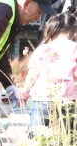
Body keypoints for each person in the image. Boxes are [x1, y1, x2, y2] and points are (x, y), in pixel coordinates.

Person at [20, 9, 77, 137]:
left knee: (37, 136)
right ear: (74, 30)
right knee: (67, 137)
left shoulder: (42, 48)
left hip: (42, 99)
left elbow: (32, 75)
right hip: (68, 101)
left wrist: (25, 92)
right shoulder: (75, 48)